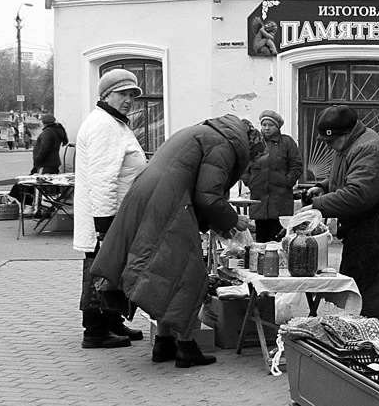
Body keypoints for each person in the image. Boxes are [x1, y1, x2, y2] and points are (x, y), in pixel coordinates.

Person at [91, 114, 265, 368]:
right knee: (188, 274)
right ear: (248, 149)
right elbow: (207, 196)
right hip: (166, 201)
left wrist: (219, 222)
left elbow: (199, 189)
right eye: (251, 163)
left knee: (164, 271)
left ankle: (164, 343)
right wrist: (233, 220)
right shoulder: (224, 146)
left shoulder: (209, 132)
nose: (247, 170)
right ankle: (186, 346)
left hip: (151, 194)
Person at [304, 105, 379, 325]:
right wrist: (324, 187)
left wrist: (319, 205)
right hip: (367, 230)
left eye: (329, 140)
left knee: (378, 296)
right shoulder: (349, 145)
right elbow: (349, 177)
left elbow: (359, 194)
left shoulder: (368, 148)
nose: (327, 145)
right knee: (362, 291)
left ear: (345, 134)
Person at [72, 69, 148, 349]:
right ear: (106, 95)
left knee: (113, 270)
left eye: (132, 95)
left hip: (116, 215)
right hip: (106, 216)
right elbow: (103, 179)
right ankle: (94, 330)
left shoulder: (115, 123)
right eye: (122, 94)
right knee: (99, 269)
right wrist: (104, 226)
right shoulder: (104, 125)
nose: (128, 100)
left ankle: (112, 322)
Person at [244, 110, 304, 243]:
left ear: (278, 127)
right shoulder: (254, 143)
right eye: (264, 124)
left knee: (279, 237)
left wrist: (288, 181)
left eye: (270, 125)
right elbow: (243, 164)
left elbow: (297, 165)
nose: (266, 128)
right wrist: (249, 181)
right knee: (261, 239)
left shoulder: (287, 142)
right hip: (259, 197)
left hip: (280, 198)